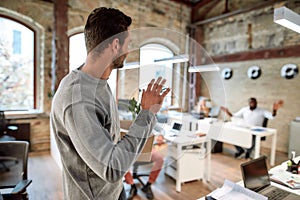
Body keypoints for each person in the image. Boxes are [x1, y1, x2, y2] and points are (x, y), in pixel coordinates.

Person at [50, 7, 170, 200]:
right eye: (128, 43)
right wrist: (146, 113)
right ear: (115, 45)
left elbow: (110, 143)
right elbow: (111, 168)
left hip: (113, 189)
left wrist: (149, 113)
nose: (129, 50)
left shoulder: (99, 82)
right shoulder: (78, 98)